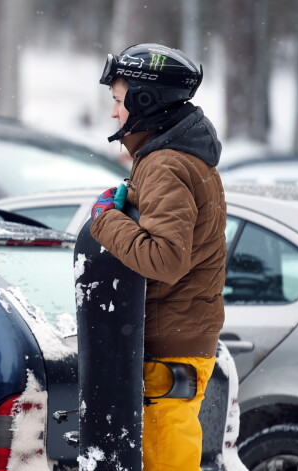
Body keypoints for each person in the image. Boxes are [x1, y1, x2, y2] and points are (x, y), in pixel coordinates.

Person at [90, 44, 226, 471]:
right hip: (173, 348)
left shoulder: (165, 163)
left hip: (167, 357)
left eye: (118, 100)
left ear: (144, 101)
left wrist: (104, 219)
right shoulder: (174, 158)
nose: (114, 113)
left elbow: (165, 258)